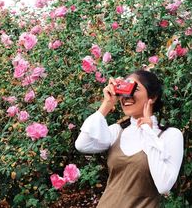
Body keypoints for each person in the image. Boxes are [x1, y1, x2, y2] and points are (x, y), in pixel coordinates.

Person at [75, 70, 184, 208]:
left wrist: (148, 131)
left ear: (153, 96)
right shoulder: (118, 131)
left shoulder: (170, 135)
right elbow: (82, 144)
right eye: (124, 90)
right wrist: (107, 104)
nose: (127, 96)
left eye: (135, 89)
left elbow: (164, 186)